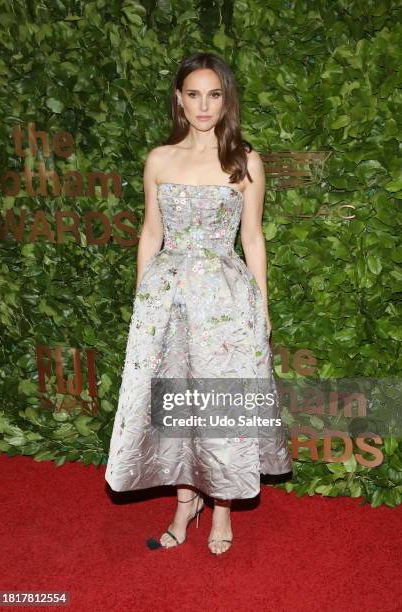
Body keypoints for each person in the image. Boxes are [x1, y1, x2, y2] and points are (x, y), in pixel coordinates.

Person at [105, 52, 292, 556]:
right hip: (167, 299)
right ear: (179, 99)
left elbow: (252, 240)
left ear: (226, 99)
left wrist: (263, 308)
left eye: (214, 94)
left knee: (219, 400)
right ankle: (186, 500)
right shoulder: (160, 160)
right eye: (193, 94)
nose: (203, 105)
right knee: (176, 401)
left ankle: (223, 506)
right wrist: (145, 301)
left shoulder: (244, 160)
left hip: (225, 303)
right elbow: (150, 233)